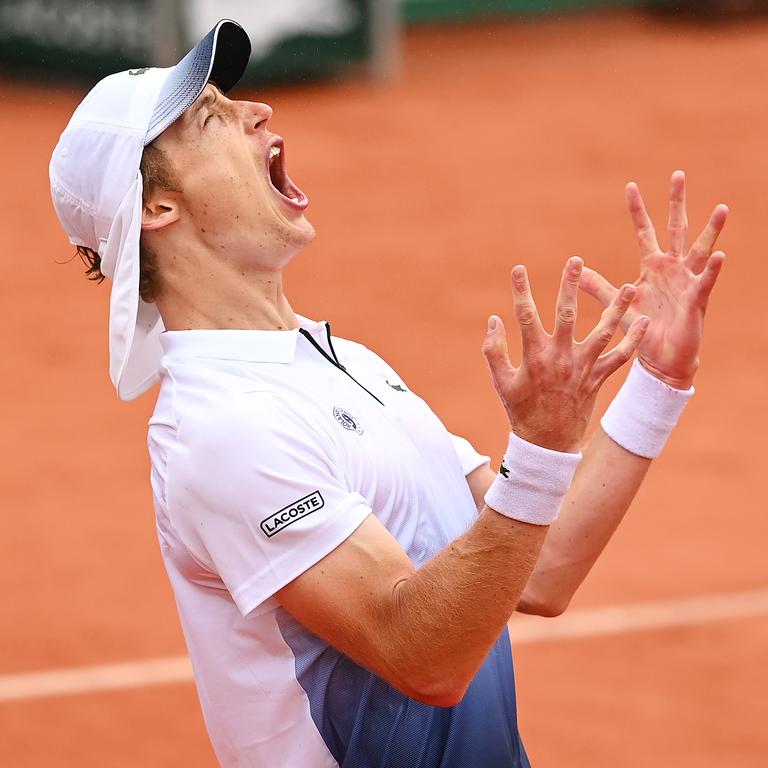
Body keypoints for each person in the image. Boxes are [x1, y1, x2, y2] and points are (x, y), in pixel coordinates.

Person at [49, 19, 727, 768]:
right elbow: (421, 655)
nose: (258, 112)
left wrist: (658, 384)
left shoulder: (339, 362)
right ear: (155, 210)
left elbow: (539, 565)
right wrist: (537, 450)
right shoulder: (222, 430)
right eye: (211, 118)